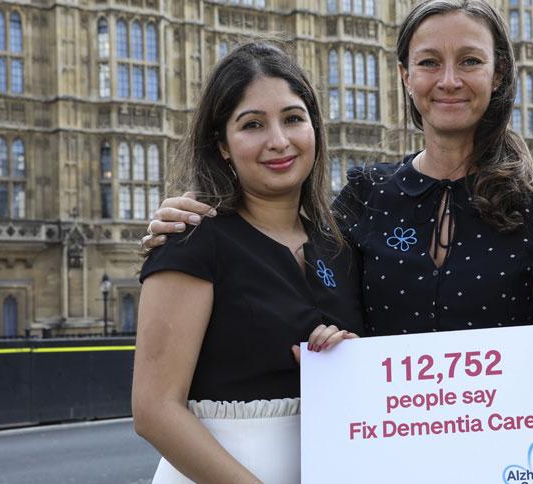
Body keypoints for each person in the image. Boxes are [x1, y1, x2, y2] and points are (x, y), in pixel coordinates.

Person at [142, 0, 533, 337]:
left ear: (498, 74)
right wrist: (194, 219)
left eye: (469, 61)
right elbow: (281, 259)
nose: (449, 80)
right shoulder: (363, 196)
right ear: (405, 77)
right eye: (429, 62)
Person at [132, 42, 363, 483]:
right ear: (222, 144)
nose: (278, 141)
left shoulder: (340, 247)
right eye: (253, 124)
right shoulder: (192, 238)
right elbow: (154, 411)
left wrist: (342, 360)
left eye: (293, 119)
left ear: (315, 128)